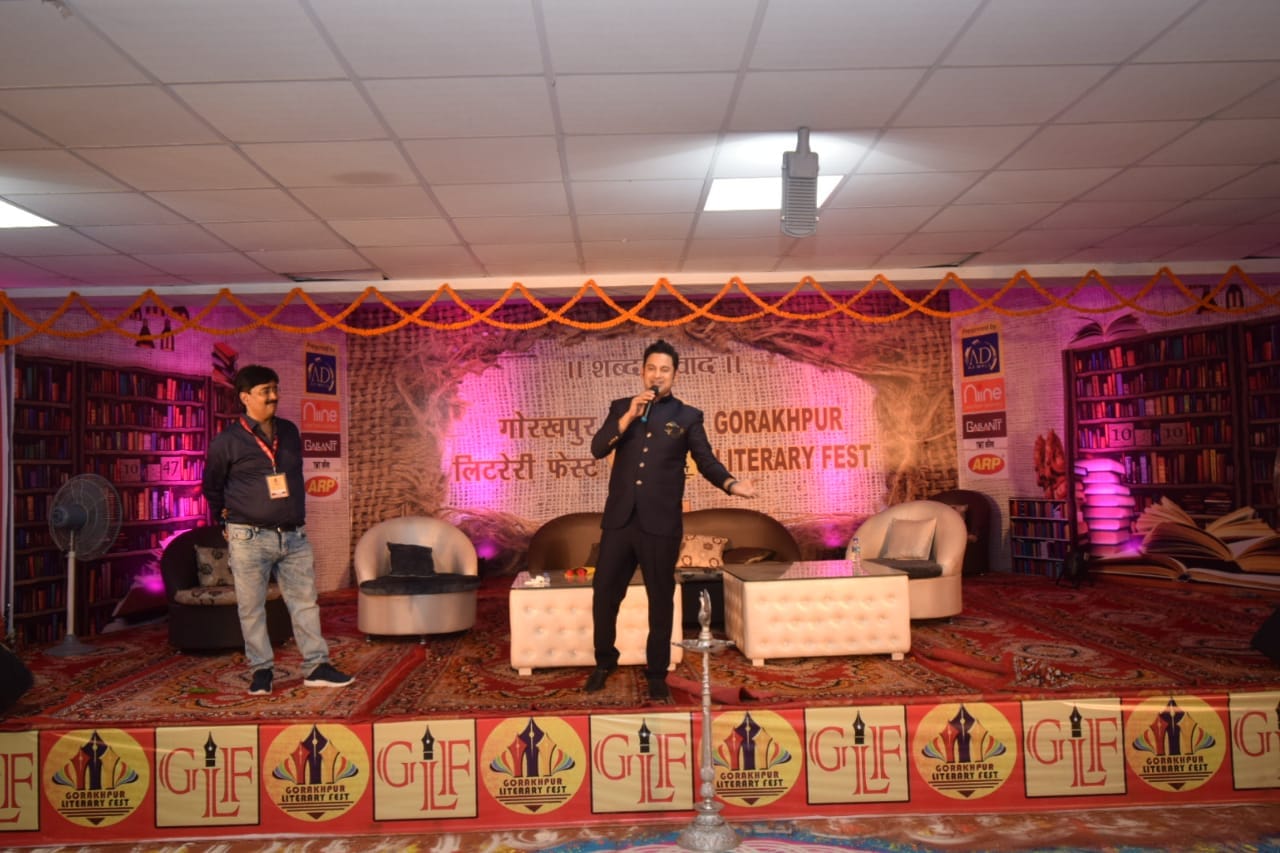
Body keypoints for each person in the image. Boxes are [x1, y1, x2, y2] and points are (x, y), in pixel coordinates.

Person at [586, 339, 757, 700]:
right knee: (604, 594)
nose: (657, 375)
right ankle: (604, 661)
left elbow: (706, 460)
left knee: (660, 599)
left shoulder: (687, 416)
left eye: (664, 369)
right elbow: (598, 448)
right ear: (642, 372)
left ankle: (657, 673)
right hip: (619, 521)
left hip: (660, 524)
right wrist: (628, 416)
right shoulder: (622, 408)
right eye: (651, 368)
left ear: (675, 375)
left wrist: (731, 484)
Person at [202, 364, 353, 696]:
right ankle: (261, 671)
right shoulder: (226, 441)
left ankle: (316, 667)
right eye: (265, 391)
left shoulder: (289, 430)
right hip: (249, 537)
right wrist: (223, 520)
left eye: (275, 388)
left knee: (305, 604)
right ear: (245, 397)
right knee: (251, 608)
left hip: (294, 535)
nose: (273, 396)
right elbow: (212, 486)